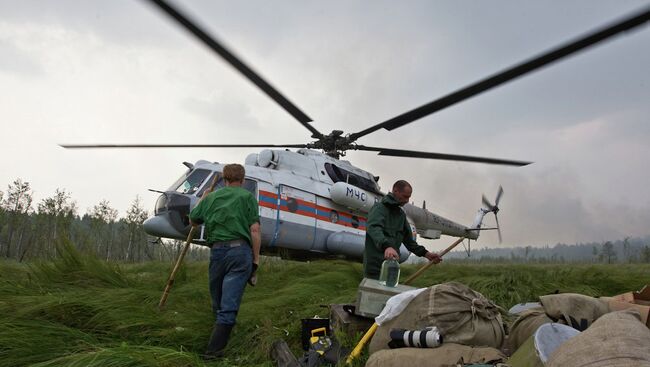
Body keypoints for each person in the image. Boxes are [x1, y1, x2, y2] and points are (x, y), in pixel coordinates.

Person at [189, 164, 261, 358]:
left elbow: (193, 220)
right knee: (227, 305)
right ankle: (214, 352)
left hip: (217, 253)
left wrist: (203, 198)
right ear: (243, 180)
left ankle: (218, 344)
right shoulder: (248, 198)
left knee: (219, 302)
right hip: (240, 253)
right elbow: (254, 231)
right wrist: (255, 262)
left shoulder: (211, 197)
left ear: (224, 179)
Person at [363, 180, 442, 279]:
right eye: (405, 196)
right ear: (395, 191)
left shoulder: (401, 215)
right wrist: (386, 246)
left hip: (392, 268)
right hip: (375, 269)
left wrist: (426, 254)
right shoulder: (379, 209)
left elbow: (409, 242)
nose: (407, 201)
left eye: (409, 197)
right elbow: (373, 228)